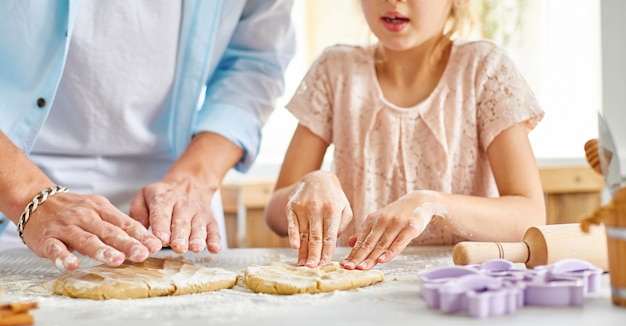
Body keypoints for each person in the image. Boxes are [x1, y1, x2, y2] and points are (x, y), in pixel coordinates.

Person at [0, 0, 295, 270]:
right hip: (12, 199)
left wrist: (192, 181)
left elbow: (254, 64)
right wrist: (26, 194)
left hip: (176, 216)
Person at [264, 0, 546, 270]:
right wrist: (312, 182)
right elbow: (275, 214)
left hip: (463, 287)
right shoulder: (334, 70)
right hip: (356, 290)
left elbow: (530, 217)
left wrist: (433, 204)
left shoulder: (486, 69)